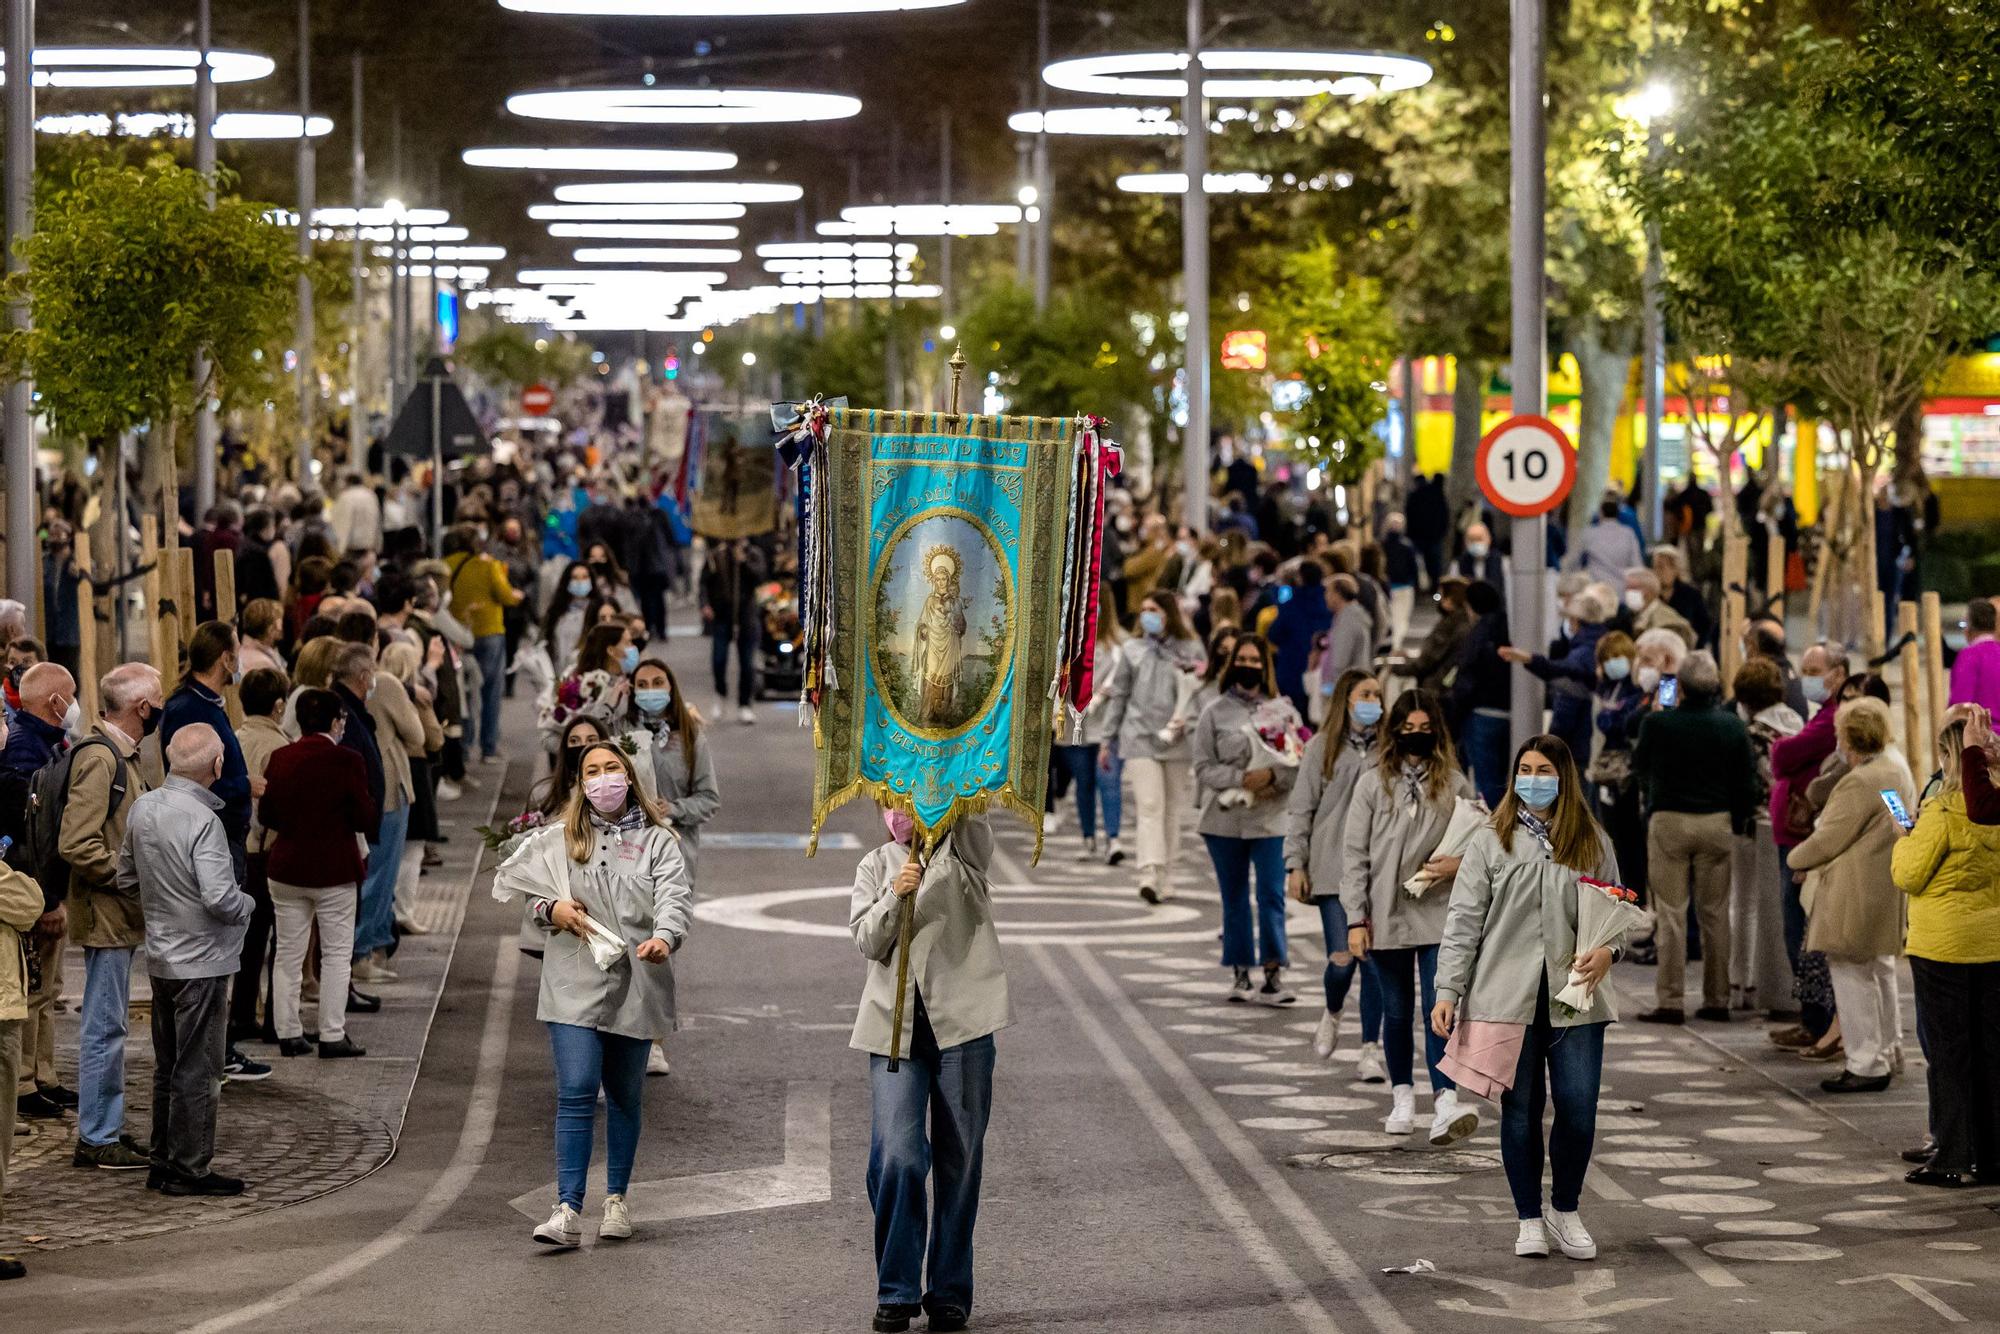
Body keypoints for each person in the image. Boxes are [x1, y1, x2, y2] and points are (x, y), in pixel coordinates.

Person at [1434, 733, 1622, 1261]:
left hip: (1575, 998)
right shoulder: (1490, 839)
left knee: (1579, 1110)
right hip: (1504, 999)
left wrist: (1610, 952)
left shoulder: (1592, 841)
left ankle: (1565, 1210)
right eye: (1525, 768)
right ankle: (1528, 1218)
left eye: (1543, 770)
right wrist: (1448, 989)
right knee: (1520, 1112)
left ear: (1563, 778)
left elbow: (1618, 912)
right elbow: (1463, 921)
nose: (1532, 779)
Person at [499, 742, 692, 1249]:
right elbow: (530, 898)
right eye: (592, 771)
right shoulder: (558, 840)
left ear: (629, 777)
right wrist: (550, 911)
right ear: (580, 783)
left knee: (626, 1095)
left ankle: (617, 1200)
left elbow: (675, 898)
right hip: (571, 983)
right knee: (578, 1088)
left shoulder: (659, 842)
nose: (603, 778)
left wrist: (665, 938)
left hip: (637, 983)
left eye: (612, 769)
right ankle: (566, 1209)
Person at [849, 812, 1004, 1334]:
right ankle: (896, 1289)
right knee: (896, 1155)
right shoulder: (875, 864)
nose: (904, 813)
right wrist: (895, 893)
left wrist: (955, 792)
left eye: (916, 801)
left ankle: (949, 1292)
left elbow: (977, 826)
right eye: (894, 803)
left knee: (960, 1163)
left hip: (964, 1029)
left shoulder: (966, 852)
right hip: (894, 1032)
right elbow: (868, 940)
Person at [118, 723, 254, 1195]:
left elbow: (125, 875)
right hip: (205, 961)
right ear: (217, 766)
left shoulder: (143, 807)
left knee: (168, 1066)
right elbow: (220, 897)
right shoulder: (203, 821)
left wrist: (163, 906)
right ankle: (189, 1167)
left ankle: (163, 1161)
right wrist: (248, 904)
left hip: (161, 958)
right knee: (200, 1068)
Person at [1340, 689, 1479, 1144]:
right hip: (1386, 913)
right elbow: (1355, 854)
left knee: (1439, 1009)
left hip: (1440, 912)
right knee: (1396, 1012)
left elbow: (1482, 845)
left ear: (1437, 732)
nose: (1416, 737)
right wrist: (1355, 918)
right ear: (1394, 731)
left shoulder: (1456, 784)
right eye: (1408, 729)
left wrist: (1458, 865)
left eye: (1425, 730)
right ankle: (1402, 1095)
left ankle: (1444, 1099)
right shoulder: (1371, 783)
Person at [59, 663, 162, 1170]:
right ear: (143, 707)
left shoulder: (121, 754)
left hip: (117, 915)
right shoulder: (103, 759)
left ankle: (105, 1128)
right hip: (107, 914)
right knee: (104, 1028)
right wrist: (125, 879)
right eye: (157, 699)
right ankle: (98, 1135)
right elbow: (78, 840)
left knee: (111, 1024)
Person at [1893, 715, 2000, 1186]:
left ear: (1946, 758)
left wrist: (1904, 840)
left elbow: (1909, 875)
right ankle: (1993, 1156)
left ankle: (1953, 1155)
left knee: (1950, 1054)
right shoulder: (1994, 807)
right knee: (1992, 1052)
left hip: (1945, 947)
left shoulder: (1941, 811)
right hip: (1992, 943)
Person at [1787, 697, 1913, 1093]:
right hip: (1884, 886)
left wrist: (1796, 857)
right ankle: (1888, 1050)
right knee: (1879, 973)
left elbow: (1829, 837)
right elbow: (1903, 824)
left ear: (1850, 738)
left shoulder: (1860, 780)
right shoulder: (1895, 769)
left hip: (1852, 891)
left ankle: (1864, 1062)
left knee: (1851, 978)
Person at [1631, 650, 1756, 1024]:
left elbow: (1639, 765)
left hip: (1669, 819)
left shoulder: (1658, 724)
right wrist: (1736, 821)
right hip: (1716, 822)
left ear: (1679, 686)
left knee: (1671, 915)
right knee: (1715, 914)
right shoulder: (1732, 726)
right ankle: (1717, 998)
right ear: (1717, 686)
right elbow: (1745, 781)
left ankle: (1670, 1001)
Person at [261, 687, 378, 1059]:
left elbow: (267, 816)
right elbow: (363, 816)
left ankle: (288, 1032)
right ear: (334, 721)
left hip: (287, 870)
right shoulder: (347, 760)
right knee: (336, 955)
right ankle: (331, 1034)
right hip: (334, 871)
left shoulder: (280, 757)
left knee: (287, 955)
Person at [1285, 669, 1386, 1078]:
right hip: (1331, 869)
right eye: (1366, 694)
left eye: (1378, 695)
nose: (1374, 702)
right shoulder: (1321, 747)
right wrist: (1295, 863)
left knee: (1375, 963)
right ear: (1346, 699)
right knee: (1343, 959)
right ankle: (1332, 1010)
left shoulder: (1389, 749)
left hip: (1379, 870)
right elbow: (1301, 807)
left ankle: (1369, 1048)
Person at [1194, 632, 1303, 1005]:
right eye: (1244, 659)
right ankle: (1240, 970)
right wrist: (1239, 778)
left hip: (1270, 818)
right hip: (1223, 820)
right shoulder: (1213, 712)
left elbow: (1297, 763)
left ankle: (1273, 972)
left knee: (1271, 894)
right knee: (1234, 896)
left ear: (1265, 667)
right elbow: (1203, 767)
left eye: (1256, 661)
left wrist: (1271, 777)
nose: (1249, 666)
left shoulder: (1283, 711)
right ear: (1232, 664)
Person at [1, 661, 78, 1121]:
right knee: (32, 989)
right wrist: (47, 900)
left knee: (47, 989)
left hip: (43, 887)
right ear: (55, 701)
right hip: (31, 890)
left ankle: (42, 1072)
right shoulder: (26, 751)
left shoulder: (43, 742)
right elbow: (31, 834)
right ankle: (27, 1079)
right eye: (70, 694)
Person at [1768, 644, 1854, 1044]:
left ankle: (1822, 1023)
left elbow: (1785, 756)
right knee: (1797, 931)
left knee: (1803, 933)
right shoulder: (1822, 716)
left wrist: (1782, 750)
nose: (1807, 677)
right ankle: (1814, 1020)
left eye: (1814, 669)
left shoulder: (1832, 719)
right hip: (1795, 837)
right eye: (1803, 669)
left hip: (1806, 842)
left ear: (1838, 674)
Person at [1098, 591, 1206, 905]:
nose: (1147, 614)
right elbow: (1119, 695)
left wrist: (1190, 721)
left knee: (1172, 809)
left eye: (1154, 609)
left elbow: (1200, 693)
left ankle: (1167, 873)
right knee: (1149, 807)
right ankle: (1148, 872)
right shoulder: (1132, 649)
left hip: (1176, 739)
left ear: (1168, 613)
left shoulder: (1190, 649)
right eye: (1143, 609)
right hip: (1138, 737)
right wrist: (1108, 739)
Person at [1729, 658, 1801, 1016]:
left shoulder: (1751, 734)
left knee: (1744, 905)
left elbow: (1749, 783)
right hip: (1790, 825)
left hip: (1753, 825)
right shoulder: (1797, 723)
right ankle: (1776, 979)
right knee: (1778, 907)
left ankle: (1742, 981)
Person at [352, 639, 426, 983]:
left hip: (364, 789)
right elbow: (417, 735)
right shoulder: (387, 685)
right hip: (386, 788)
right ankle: (363, 951)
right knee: (380, 875)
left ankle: (372, 947)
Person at [1500, 586, 1611, 768]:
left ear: (1576, 620)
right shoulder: (1598, 642)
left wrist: (1529, 658)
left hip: (1579, 741)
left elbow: (1562, 670)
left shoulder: (1584, 650)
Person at [443, 524, 523, 764]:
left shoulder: (446, 566)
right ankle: (488, 747)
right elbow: (506, 595)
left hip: (457, 632)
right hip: (489, 632)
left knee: (464, 692)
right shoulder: (488, 565)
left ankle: (465, 747)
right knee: (490, 690)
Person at [1057, 610, 1124, 864]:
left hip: (1107, 725)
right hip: (1076, 724)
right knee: (1084, 783)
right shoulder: (1067, 643)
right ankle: (1089, 838)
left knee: (1108, 781)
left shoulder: (1118, 646)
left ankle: (1113, 838)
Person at [1450, 580, 1512, 807]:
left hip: (1481, 714)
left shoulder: (1478, 634)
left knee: (1486, 783)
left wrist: (1454, 717)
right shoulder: (1509, 627)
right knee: (1504, 780)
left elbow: (1467, 678)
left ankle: (1492, 831)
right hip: (1509, 711)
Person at [701, 538, 766, 725]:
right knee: (718, 659)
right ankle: (720, 694)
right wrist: (705, 604)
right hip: (722, 616)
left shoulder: (753, 554)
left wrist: (743, 562)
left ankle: (744, 704)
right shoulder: (716, 555)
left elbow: (760, 577)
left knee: (747, 662)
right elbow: (704, 582)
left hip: (746, 617)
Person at [1394, 575, 1471, 700]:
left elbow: (1429, 659)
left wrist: (1397, 667)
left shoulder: (1450, 626)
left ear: (1450, 599)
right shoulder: (1465, 623)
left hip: (1436, 689)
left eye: (1440, 596)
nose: (1439, 601)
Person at [1568, 493, 1646, 586]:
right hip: (1620, 590)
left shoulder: (1590, 533)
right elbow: (1637, 564)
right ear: (1617, 513)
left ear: (1601, 513)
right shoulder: (1628, 533)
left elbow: (1574, 560)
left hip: (1595, 589)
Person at [1948, 597, 2000, 714]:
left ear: (1969, 626)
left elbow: (1960, 705)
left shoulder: (1970, 656)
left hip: (1983, 730)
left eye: (1963, 624)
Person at [1621, 567, 1696, 649]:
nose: (1627, 593)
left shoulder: (1668, 622)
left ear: (1648, 591)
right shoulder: (1631, 616)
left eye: (1632, 588)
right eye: (1626, 589)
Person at [1381, 513, 1420, 648]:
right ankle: (1395, 645)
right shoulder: (1406, 545)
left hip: (1393, 586)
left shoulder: (1383, 545)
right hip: (1402, 585)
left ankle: (1395, 645)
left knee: (1394, 618)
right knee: (1400, 618)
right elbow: (1413, 567)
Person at [330, 472, 382, 555]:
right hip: (369, 545)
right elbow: (377, 520)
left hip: (352, 547)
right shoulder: (371, 495)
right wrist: (378, 544)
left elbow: (343, 523)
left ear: (348, 482)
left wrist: (339, 550)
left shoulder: (346, 497)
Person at [1452, 523, 1506, 593]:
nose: (1476, 543)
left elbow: (1509, 591)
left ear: (1489, 539)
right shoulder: (1457, 564)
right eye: (1472, 540)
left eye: (1479, 539)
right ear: (1465, 542)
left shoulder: (1502, 561)